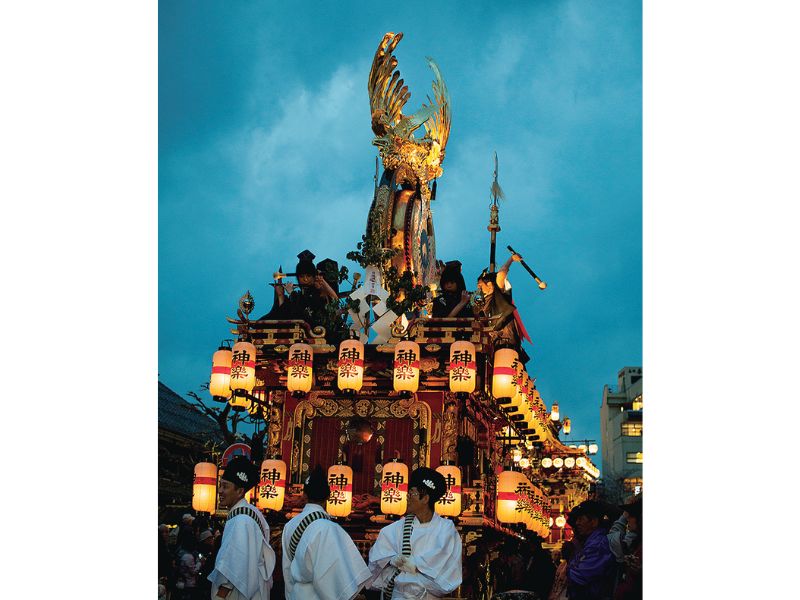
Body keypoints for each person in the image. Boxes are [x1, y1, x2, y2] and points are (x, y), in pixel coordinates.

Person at [367, 466, 462, 599]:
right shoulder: (397, 528)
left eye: (412, 493)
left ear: (425, 499)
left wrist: (413, 564)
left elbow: (443, 562)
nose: (407, 497)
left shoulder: (445, 529)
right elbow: (378, 557)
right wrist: (391, 559)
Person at [281, 465, 371, 600]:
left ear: (305, 495)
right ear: (329, 496)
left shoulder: (290, 525)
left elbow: (287, 569)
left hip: (297, 593)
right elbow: (334, 574)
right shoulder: (329, 528)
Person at [208, 457, 276, 599]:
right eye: (220, 485)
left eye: (225, 486)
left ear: (239, 491)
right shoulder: (252, 513)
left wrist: (221, 596)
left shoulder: (241, 520)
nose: (220, 491)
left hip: (239, 592)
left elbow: (233, 565)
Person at [473, 253, 531, 349]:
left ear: (490, 284)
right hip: (489, 344)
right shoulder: (480, 302)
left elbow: (501, 274)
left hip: (506, 339)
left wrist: (511, 259)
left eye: (480, 285)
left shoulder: (499, 292)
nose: (478, 288)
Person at [566, 500, 616, 600]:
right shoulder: (590, 541)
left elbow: (580, 576)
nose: (577, 523)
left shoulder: (598, 544)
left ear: (594, 522)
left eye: (581, 519)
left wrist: (568, 571)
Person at [611, 497, 641, 600]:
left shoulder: (636, 543)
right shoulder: (635, 538)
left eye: (631, 515)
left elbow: (613, 541)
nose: (628, 518)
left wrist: (623, 517)